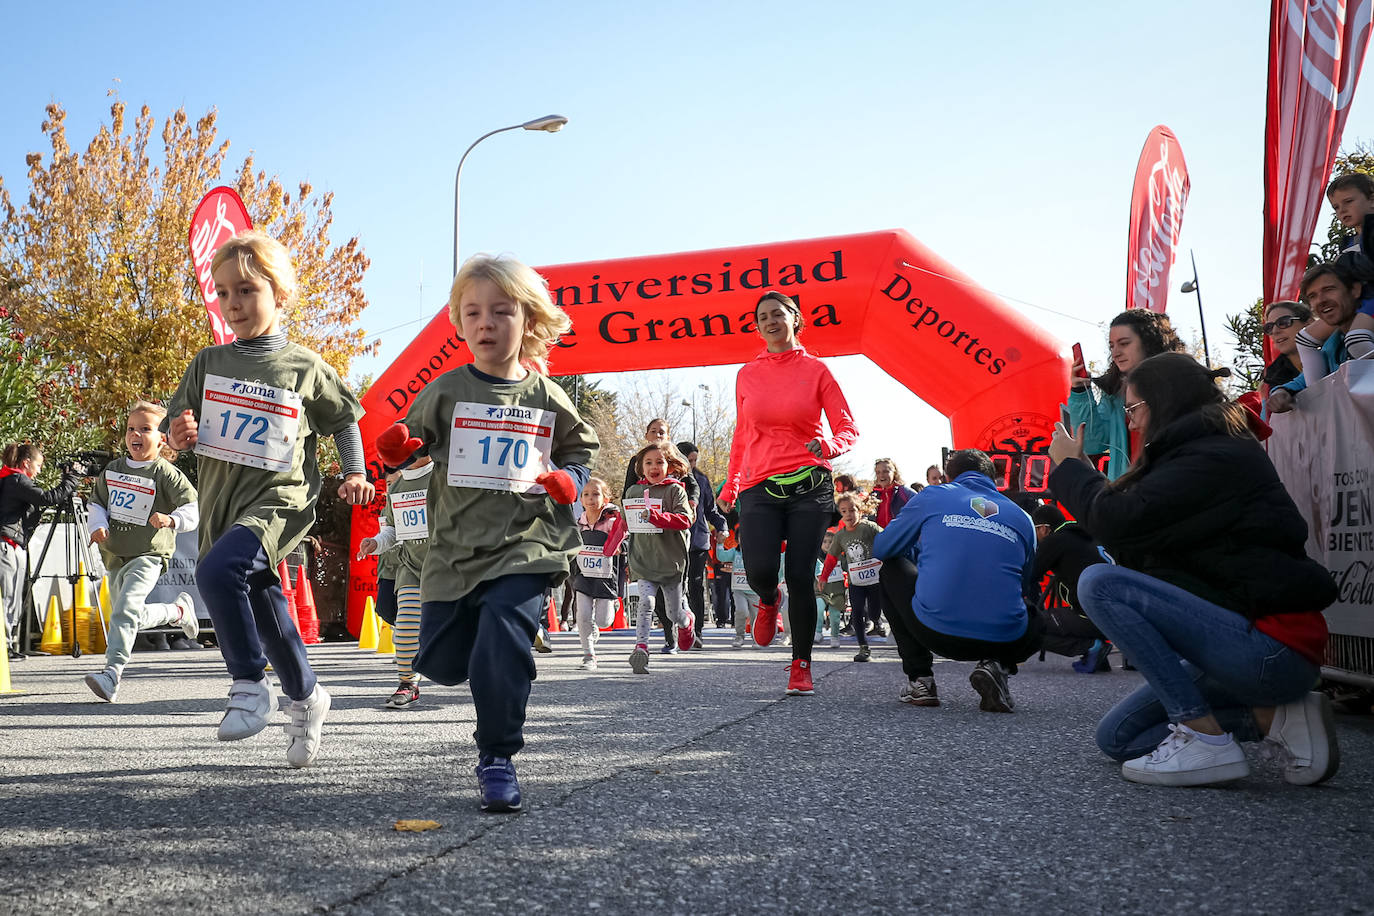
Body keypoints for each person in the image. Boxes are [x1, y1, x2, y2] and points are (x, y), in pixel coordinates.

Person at [1049, 352, 1340, 787]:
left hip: (1272, 646)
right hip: (1239, 641)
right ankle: (1272, 717)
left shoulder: (1215, 454)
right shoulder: (1196, 452)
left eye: (1133, 408)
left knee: (1101, 585)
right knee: (1120, 738)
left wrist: (1071, 470)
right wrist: (1086, 475)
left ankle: (1203, 737)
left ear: (1164, 400)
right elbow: (1130, 538)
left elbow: (1120, 522)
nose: (1131, 422)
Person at [376, 252, 597, 812]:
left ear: (528, 321)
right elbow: (407, 445)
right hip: (453, 549)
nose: (486, 323)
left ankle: (496, 755)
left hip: (528, 544)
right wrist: (397, 450)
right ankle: (494, 663)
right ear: (459, 323)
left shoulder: (546, 394)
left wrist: (567, 478)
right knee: (446, 661)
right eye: (473, 313)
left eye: (501, 311)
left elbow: (579, 450)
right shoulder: (447, 390)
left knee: (503, 633)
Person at [168, 230, 374, 768]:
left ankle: (246, 685)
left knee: (215, 572)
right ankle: (307, 697)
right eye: (223, 293)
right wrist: (178, 434)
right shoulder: (207, 363)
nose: (233, 304)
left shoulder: (304, 366)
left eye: (246, 291)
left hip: (281, 501)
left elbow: (344, 418)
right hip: (223, 504)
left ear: (278, 294)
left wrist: (354, 472)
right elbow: (176, 424)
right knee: (268, 610)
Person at [718, 290, 859, 696]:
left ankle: (801, 664)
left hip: (810, 486)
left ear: (795, 319)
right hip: (760, 484)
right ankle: (767, 599)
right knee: (761, 570)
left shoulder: (817, 371)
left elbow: (848, 427)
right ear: (758, 326)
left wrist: (830, 447)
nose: (770, 321)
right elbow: (743, 435)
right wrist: (732, 484)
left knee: (799, 576)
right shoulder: (747, 373)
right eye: (762, 317)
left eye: (778, 314)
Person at [872, 449, 1040, 712]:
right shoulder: (1023, 517)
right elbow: (1026, 583)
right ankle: (998, 665)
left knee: (890, 568)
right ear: (993, 478)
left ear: (949, 477)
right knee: (1037, 615)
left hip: (935, 630)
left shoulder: (934, 496)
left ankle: (921, 679)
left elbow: (882, 548)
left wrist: (920, 550)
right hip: (1003, 637)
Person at [82, 402, 200, 701]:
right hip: (115, 555)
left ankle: (112, 674)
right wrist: (97, 524)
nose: (136, 434)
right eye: (131, 429)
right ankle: (177, 612)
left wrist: (172, 519)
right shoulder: (113, 469)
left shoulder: (165, 473)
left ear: (162, 438)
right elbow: (96, 503)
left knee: (124, 610)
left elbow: (193, 507)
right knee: (128, 613)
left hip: (149, 554)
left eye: (145, 429)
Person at [1066, 310, 1184, 479]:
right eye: (1112, 346)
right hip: (1128, 494)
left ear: (1149, 343)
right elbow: (1093, 444)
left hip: (1169, 487)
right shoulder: (1114, 394)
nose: (1116, 353)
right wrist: (1080, 391)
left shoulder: (1182, 387)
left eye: (1124, 343)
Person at [357, 456, 434, 708]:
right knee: (405, 628)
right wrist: (375, 542)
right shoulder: (398, 488)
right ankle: (408, 683)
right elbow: (392, 528)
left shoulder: (444, 476)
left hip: (447, 567)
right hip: (410, 566)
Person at [623, 419, 698, 654]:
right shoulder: (634, 491)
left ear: (671, 465)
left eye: (659, 462)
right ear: (640, 467)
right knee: (646, 603)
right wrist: (612, 545)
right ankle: (641, 648)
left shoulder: (676, 489)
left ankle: (686, 624)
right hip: (644, 559)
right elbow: (626, 523)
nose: (653, 466)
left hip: (671, 560)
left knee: (673, 612)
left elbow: (685, 520)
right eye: (648, 462)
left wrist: (657, 517)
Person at [0, 444, 81, 659]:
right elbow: (46, 498)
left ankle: (7, 645)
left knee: (12, 597)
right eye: (38, 465)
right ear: (26, 463)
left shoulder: (10, 479)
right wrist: (71, 480)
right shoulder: (16, 480)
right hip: (7, 545)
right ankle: (4, 647)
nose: (39, 471)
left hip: (13, 544)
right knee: (8, 597)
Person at [1029, 503, 1112, 674]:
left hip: (1093, 616)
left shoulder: (1055, 540)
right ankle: (1096, 656)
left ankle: (1090, 647)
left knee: (1028, 627)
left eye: (1035, 531)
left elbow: (1029, 576)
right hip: (1115, 615)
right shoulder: (1085, 536)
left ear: (1044, 528)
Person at [1271, 263, 1366, 411]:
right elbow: (1302, 381)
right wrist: (1281, 392)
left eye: (1328, 290)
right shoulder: (1330, 349)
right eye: (1312, 296)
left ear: (1355, 290)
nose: (1321, 300)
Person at [568, 477, 625, 670]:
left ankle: (611, 608)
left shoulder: (612, 522)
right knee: (582, 615)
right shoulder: (578, 523)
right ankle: (589, 655)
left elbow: (626, 538)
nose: (591, 498)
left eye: (596, 494)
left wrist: (619, 547)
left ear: (606, 498)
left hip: (606, 579)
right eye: (586, 495)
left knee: (603, 620)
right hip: (583, 577)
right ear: (580, 500)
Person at [820, 492, 883, 663]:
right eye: (844, 511)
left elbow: (887, 540)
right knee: (856, 612)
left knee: (875, 613)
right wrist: (823, 577)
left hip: (875, 580)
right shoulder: (840, 535)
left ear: (860, 510)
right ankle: (863, 648)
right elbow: (831, 558)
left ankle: (877, 621)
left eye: (852, 510)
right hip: (856, 582)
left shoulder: (869, 527)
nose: (848, 514)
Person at [677, 441, 727, 646]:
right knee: (675, 586)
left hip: (698, 541)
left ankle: (697, 632)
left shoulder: (702, 480)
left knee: (696, 585)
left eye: (695, 460)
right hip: (673, 541)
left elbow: (711, 510)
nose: (692, 464)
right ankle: (677, 629)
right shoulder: (667, 478)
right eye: (689, 460)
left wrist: (722, 526)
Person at [1322, 173, 1374, 359]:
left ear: (1372, 199)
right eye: (1336, 207)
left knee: (1356, 339)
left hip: (1371, 299)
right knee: (1307, 339)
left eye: (1348, 201)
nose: (1342, 210)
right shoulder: (1347, 242)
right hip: (1353, 304)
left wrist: (1343, 266)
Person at [1259, 300, 1313, 396]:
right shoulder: (1271, 379)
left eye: (1284, 322)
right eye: (1269, 327)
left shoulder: (1337, 352)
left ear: (1308, 323)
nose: (1275, 331)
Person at [815, 528, 845, 649]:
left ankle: (834, 636)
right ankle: (817, 632)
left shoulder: (841, 557)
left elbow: (849, 566)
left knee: (835, 615)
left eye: (831, 542)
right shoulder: (816, 558)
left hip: (837, 592)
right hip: (820, 592)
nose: (827, 545)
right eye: (825, 542)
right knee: (818, 608)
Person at [872, 458, 916, 528]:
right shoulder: (873, 496)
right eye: (878, 472)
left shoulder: (904, 492)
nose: (881, 475)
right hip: (879, 537)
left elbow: (921, 507)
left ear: (894, 473)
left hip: (900, 536)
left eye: (885, 471)